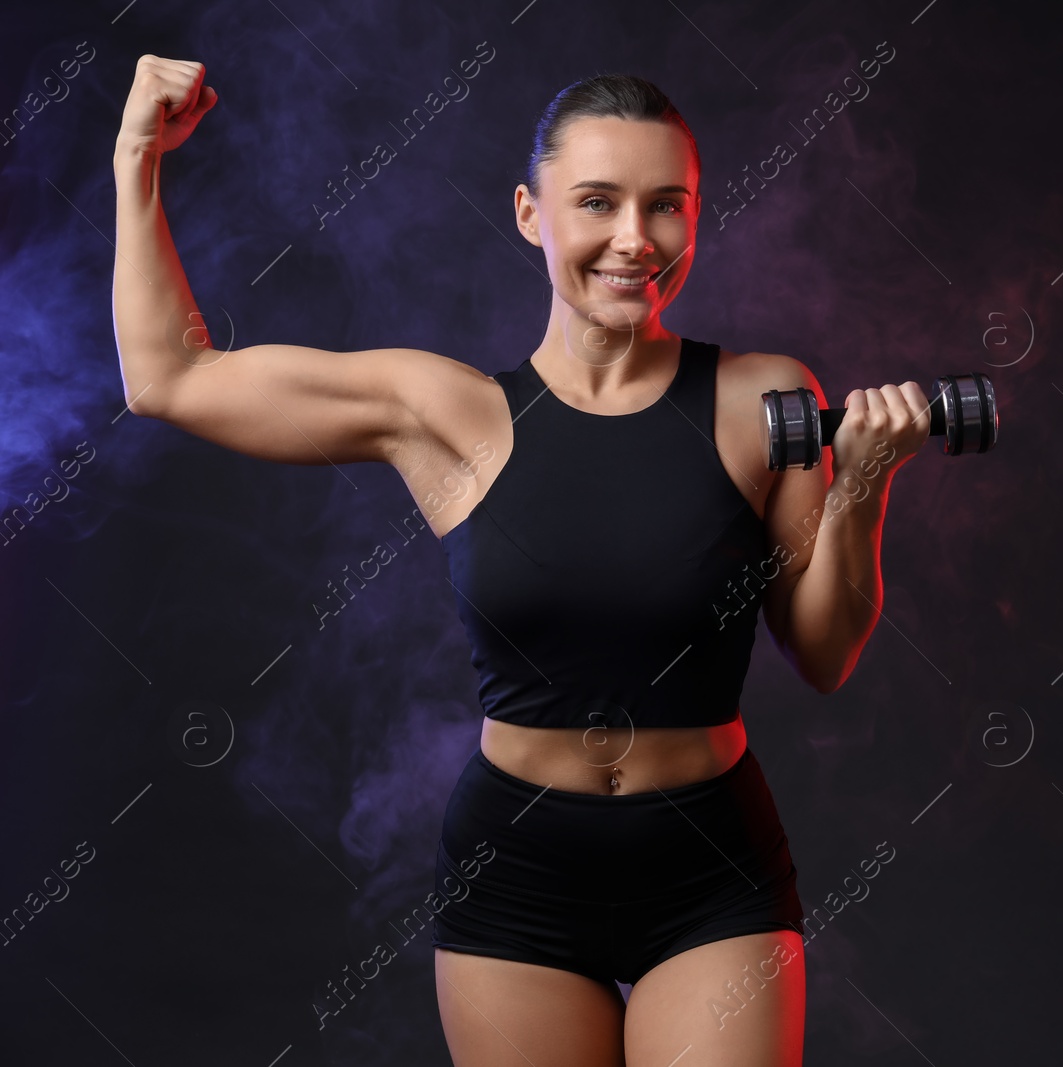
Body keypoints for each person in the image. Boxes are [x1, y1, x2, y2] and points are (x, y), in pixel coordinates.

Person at [112, 55, 931, 1066]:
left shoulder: (764, 398)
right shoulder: (444, 413)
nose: (636, 240)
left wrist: (862, 485)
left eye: (666, 206)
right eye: (597, 202)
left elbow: (825, 651)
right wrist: (137, 155)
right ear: (529, 213)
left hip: (710, 864)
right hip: (519, 870)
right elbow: (169, 376)